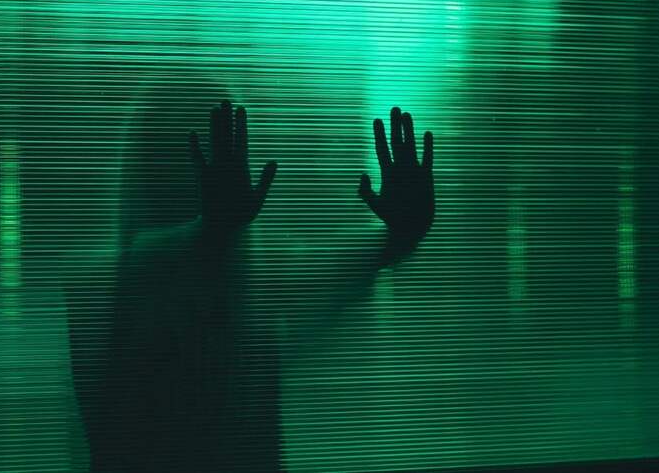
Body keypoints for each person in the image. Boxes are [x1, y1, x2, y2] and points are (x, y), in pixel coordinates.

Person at [67, 83, 434, 471]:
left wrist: (402, 233)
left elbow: (344, 266)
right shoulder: (97, 284)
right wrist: (213, 232)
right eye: (198, 151)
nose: (221, 169)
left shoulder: (260, 272)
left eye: (227, 150)